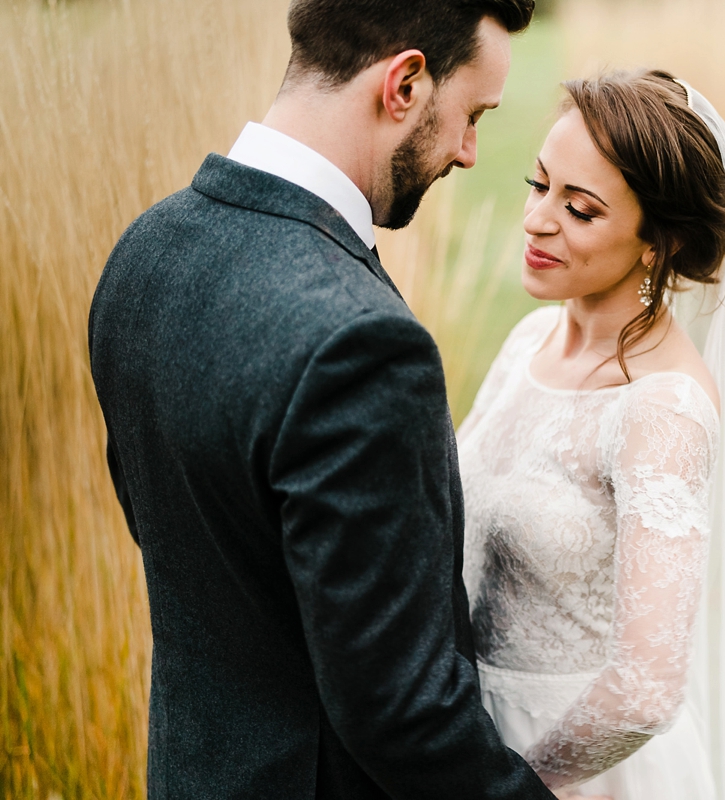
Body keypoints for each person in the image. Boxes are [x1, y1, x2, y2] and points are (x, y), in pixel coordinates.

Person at [88, 1, 569, 797]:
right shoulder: (362, 345)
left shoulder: (147, 252)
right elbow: (403, 709)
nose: (471, 152)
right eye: (471, 115)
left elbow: (171, 536)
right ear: (405, 83)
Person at [457, 70, 725, 800]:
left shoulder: (663, 410)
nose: (537, 220)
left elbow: (647, 686)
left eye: (581, 209)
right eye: (540, 186)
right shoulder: (529, 340)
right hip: (469, 737)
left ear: (658, 243)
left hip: (578, 773)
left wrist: (518, 786)